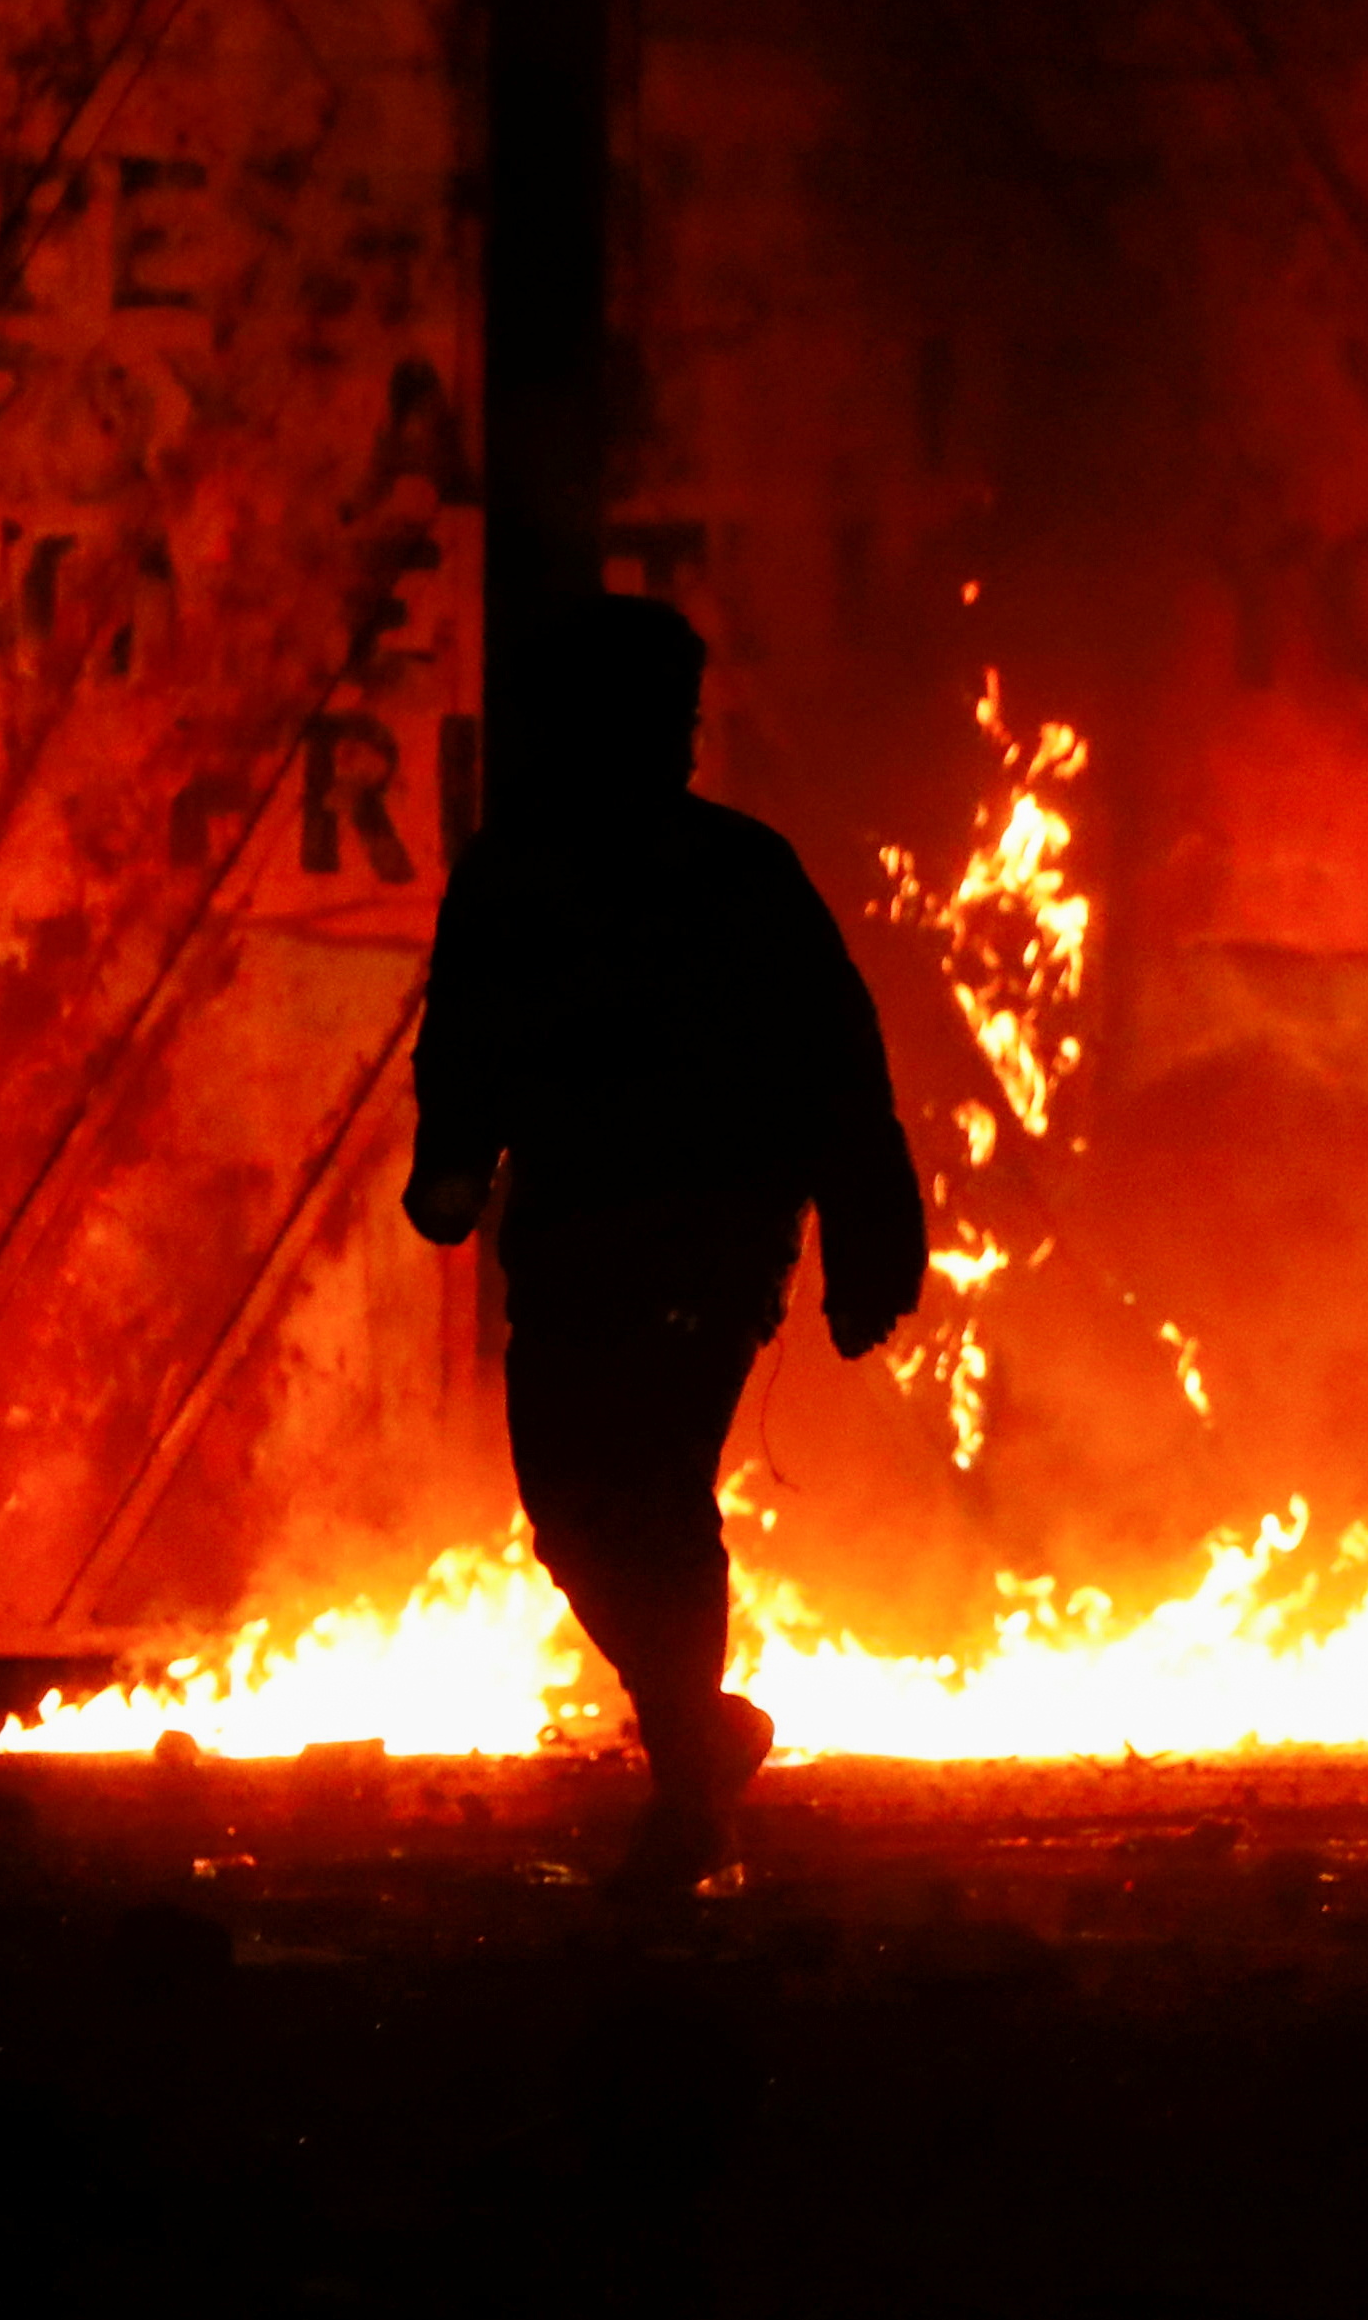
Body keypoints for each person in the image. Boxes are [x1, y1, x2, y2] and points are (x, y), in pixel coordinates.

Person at [403, 594, 927, 1891]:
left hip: (709, 1237)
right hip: (578, 1239)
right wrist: (452, 1163)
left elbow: (834, 1063)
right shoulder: (521, 873)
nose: (681, 748)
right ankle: (699, 1733)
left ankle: (691, 1798)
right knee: (573, 1514)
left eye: (684, 722)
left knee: (653, 1495)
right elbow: (466, 1036)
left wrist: (872, 1233)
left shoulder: (740, 873)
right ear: (588, 726)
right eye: (658, 720)